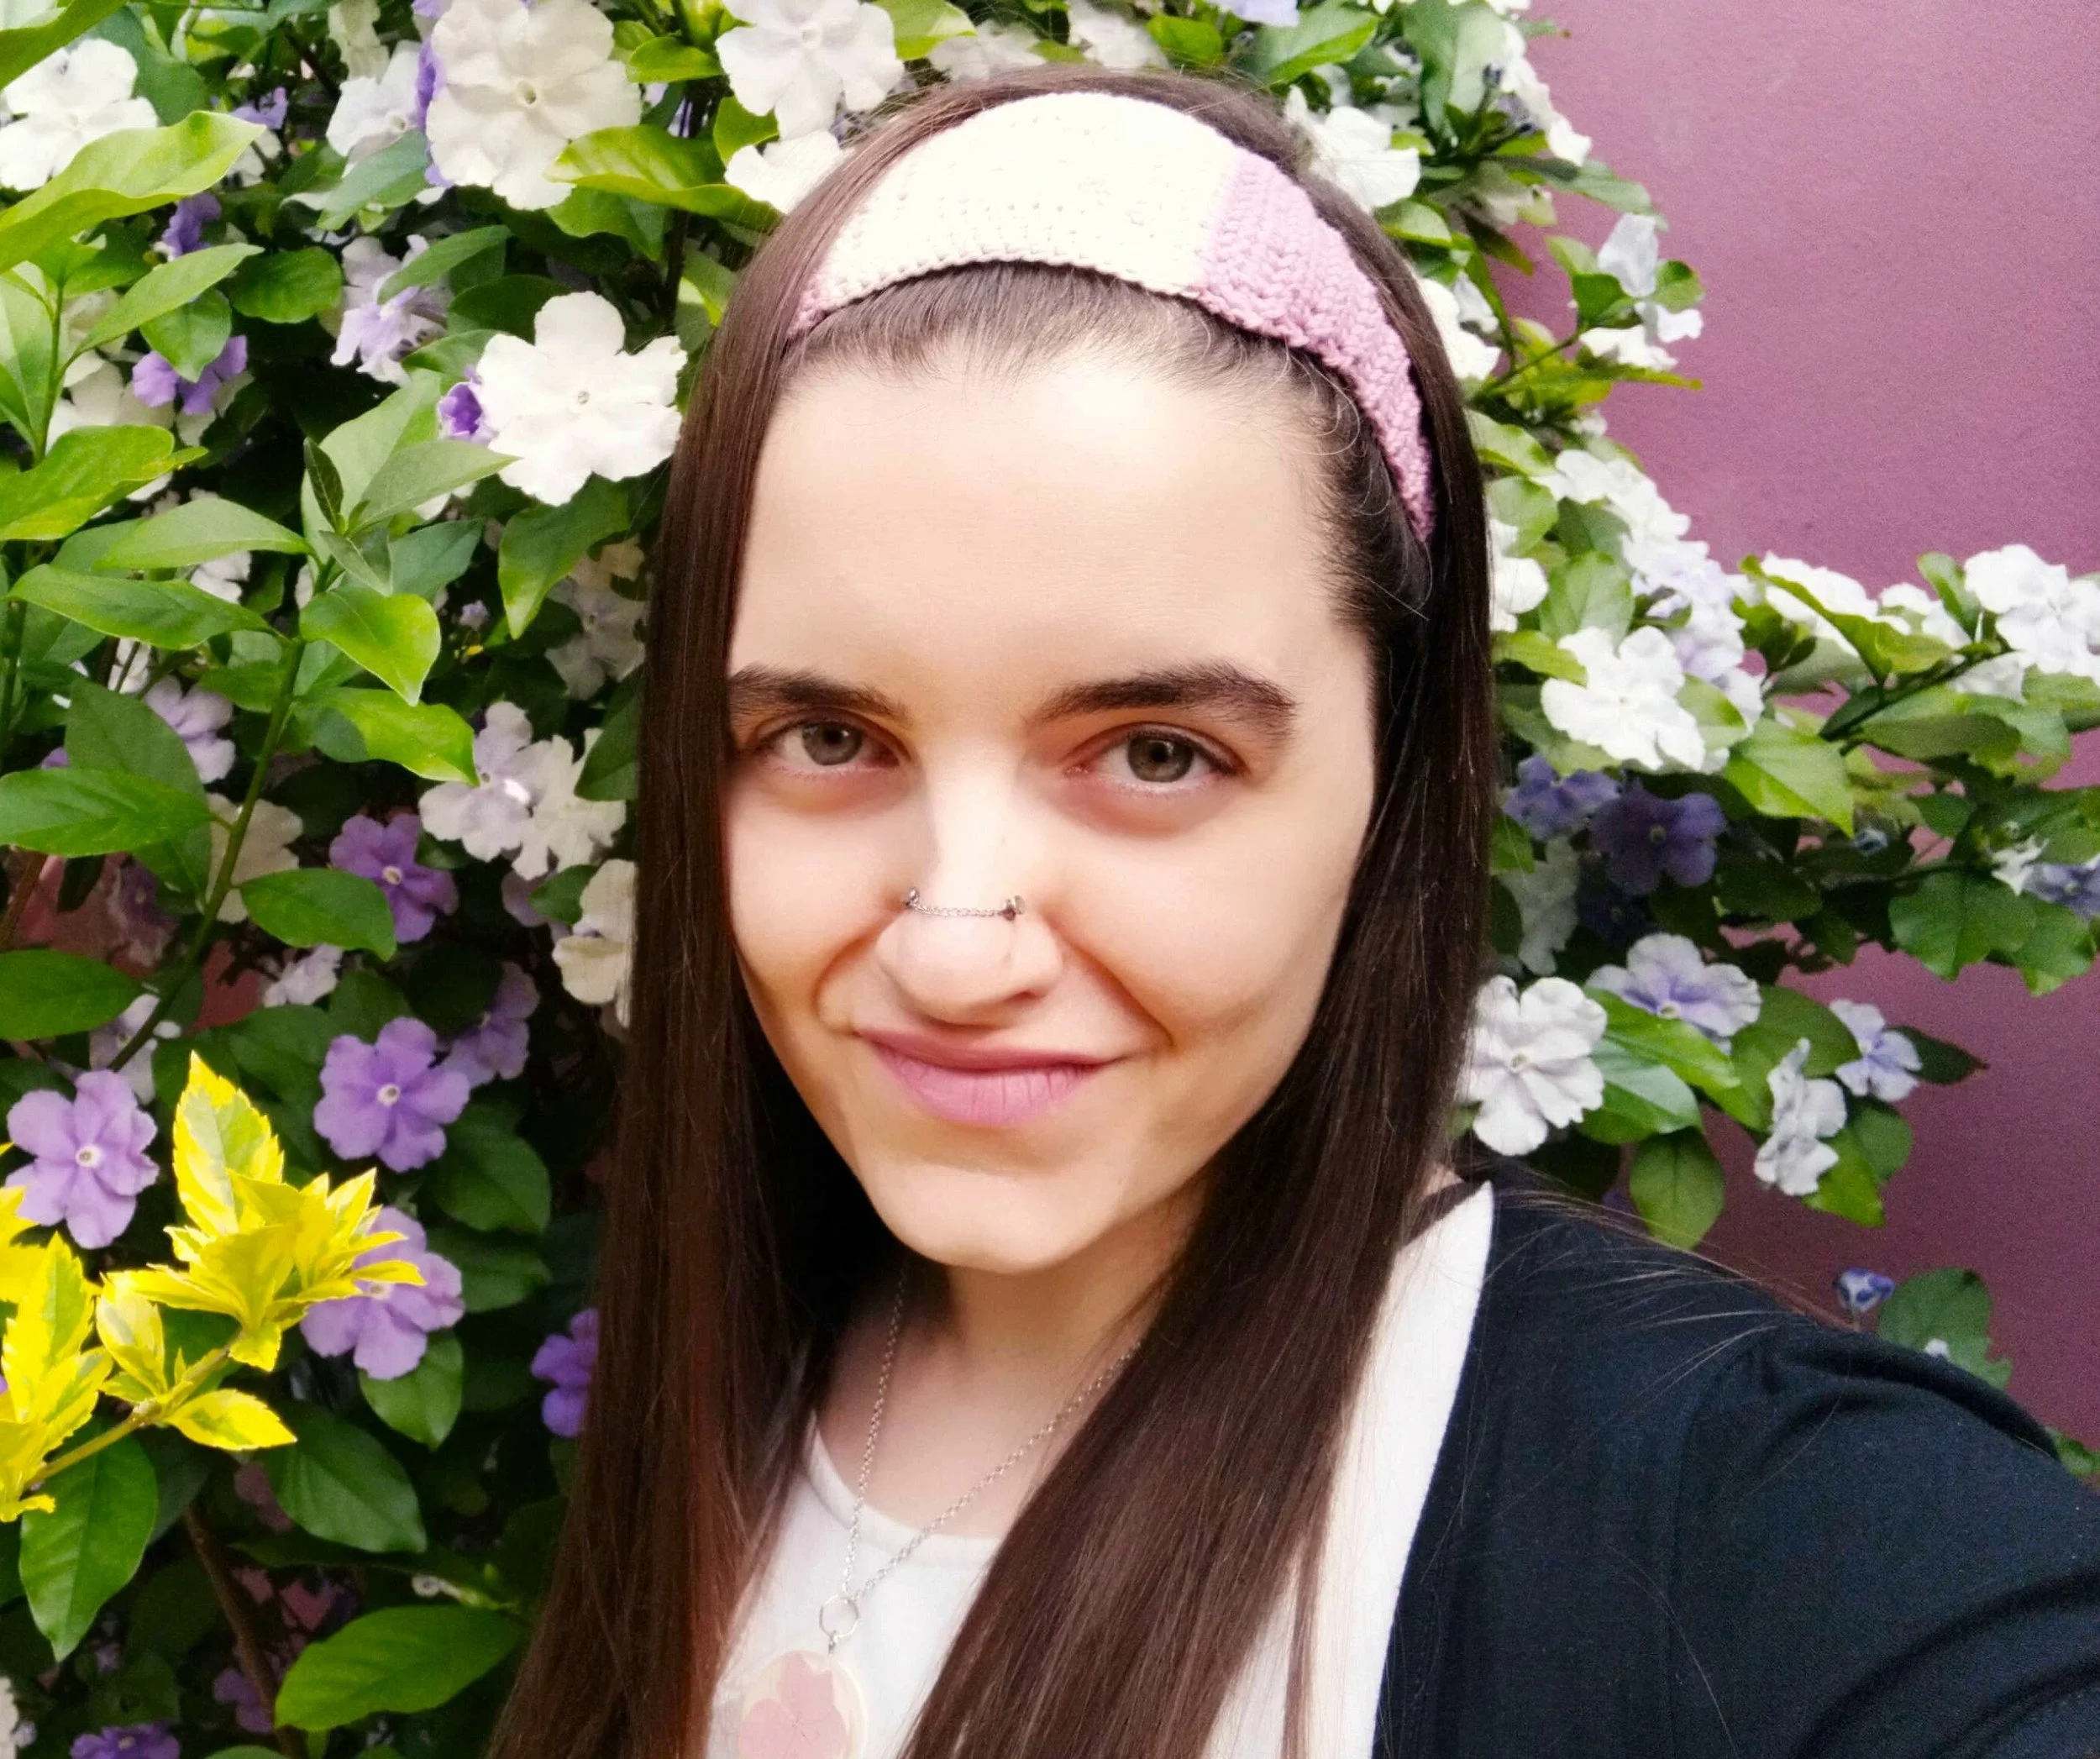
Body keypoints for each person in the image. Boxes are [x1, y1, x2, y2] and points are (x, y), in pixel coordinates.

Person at [489, 65, 2100, 1759]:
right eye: (827, 738)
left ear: (1390, 774)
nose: (953, 946)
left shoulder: (1760, 1523)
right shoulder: (739, 1370)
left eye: (1156, 754)